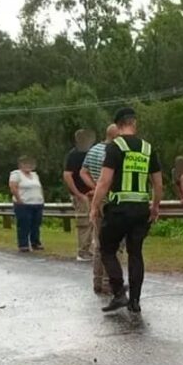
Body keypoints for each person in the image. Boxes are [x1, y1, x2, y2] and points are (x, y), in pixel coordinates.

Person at [89, 107, 163, 314]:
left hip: (119, 209)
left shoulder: (115, 147)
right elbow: (158, 184)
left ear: (118, 124)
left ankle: (119, 292)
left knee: (107, 249)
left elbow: (104, 181)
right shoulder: (148, 149)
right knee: (135, 253)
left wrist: (94, 206)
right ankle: (135, 301)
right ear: (134, 123)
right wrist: (155, 206)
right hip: (141, 208)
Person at [81, 124, 120, 294]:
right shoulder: (115, 151)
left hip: (97, 200)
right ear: (116, 136)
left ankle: (97, 281)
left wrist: (95, 186)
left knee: (99, 243)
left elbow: (83, 172)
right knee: (113, 245)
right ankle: (108, 282)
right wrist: (103, 187)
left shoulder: (94, 150)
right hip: (111, 200)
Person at [64, 129, 96, 261]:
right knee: (84, 223)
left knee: (94, 223)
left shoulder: (92, 152)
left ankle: (90, 249)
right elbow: (67, 175)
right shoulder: (73, 155)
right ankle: (83, 251)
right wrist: (77, 194)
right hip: (81, 194)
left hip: (93, 193)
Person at [9, 155, 44, 253]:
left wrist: (42, 198)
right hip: (24, 203)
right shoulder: (16, 174)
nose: (27, 166)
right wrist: (19, 199)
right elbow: (13, 187)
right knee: (24, 224)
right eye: (25, 164)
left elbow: (39, 187)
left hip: (37, 202)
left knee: (36, 224)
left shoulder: (35, 175)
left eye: (29, 164)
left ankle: (35, 242)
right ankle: (23, 244)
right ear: (20, 165)